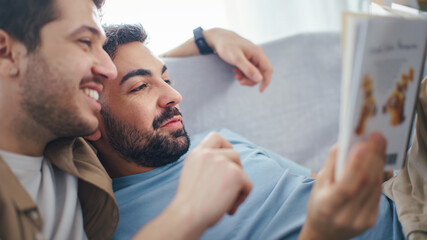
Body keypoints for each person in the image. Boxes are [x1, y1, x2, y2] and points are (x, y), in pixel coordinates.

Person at [86, 23, 405, 240]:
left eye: (167, 79)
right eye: (141, 86)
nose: (175, 96)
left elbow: (318, 185)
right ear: (91, 118)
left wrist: (369, 162)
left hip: (403, 200)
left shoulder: (219, 140)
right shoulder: (122, 224)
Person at [0, 0, 274, 239]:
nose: (108, 68)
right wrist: (187, 213)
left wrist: (205, 38)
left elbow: (132, 70)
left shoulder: (67, 136)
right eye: (85, 42)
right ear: (6, 51)